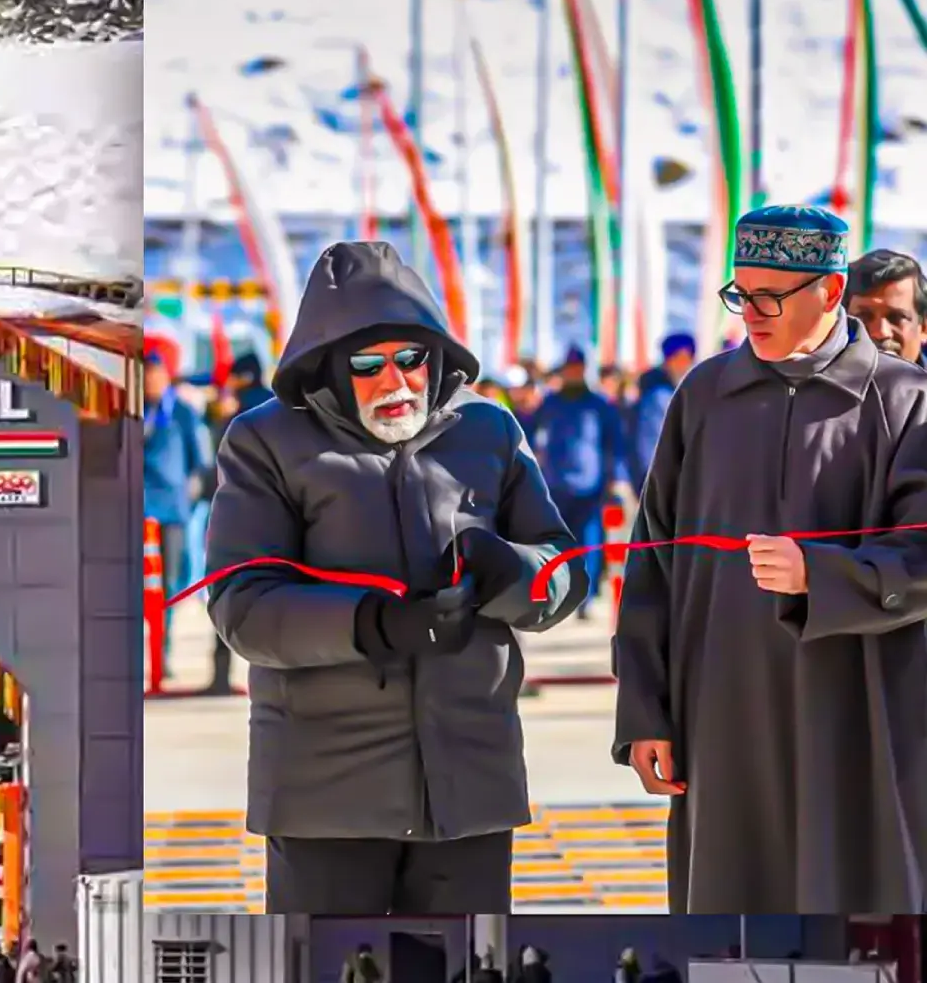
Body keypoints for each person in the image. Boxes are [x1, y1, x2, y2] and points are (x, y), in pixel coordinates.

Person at [205, 241, 588, 914]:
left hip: (470, 786)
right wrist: (370, 624)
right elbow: (242, 605)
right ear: (327, 367)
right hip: (327, 795)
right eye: (368, 365)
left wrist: (515, 575)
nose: (397, 381)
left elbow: (563, 572)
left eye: (412, 359)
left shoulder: (489, 431)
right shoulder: (265, 442)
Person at [613, 205, 927, 912]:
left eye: (769, 296)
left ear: (829, 291)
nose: (749, 313)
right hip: (720, 719)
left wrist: (822, 575)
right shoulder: (704, 396)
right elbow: (653, 561)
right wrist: (643, 712)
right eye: (740, 293)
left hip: (860, 719)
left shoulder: (907, 402)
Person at [528, 344, 627, 618]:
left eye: (577, 367)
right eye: (569, 368)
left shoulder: (599, 405)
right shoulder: (550, 402)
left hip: (590, 486)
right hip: (555, 486)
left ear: (584, 369)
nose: (573, 372)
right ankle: (558, 595)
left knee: (589, 544)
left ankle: (584, 599)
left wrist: (616, 479)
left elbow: (615, 444)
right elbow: (526, 431)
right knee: (557, 545)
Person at [142, 344, 212, 659]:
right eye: (145, 377)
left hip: (172, 512)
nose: (150, 382)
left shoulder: (182, 414)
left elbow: (200, 464)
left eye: (155, 376)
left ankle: (162, 650)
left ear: (166, 376)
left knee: (169, 585)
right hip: (136, 513)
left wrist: (189, 500)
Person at [629, 332, 697, 491]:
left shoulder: (687, 391)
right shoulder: (659, 398)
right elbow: (650, 445)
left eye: (687, 359)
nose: (684, 365)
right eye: (678, 359)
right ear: (668, 362)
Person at [846, 248, 927, 367]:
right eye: (864, 317)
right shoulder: (816, 383)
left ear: (924, 329)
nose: (881, 332)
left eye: (896, 318)